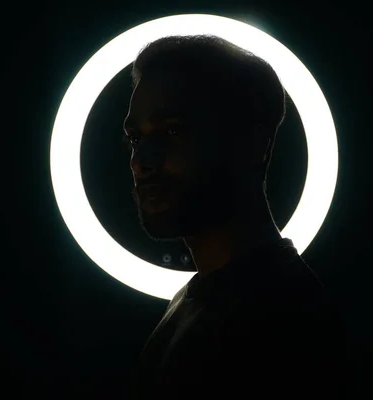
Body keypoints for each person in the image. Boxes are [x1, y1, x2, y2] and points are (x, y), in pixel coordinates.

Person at [123, 35, 348, 397]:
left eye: (174, 130)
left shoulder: (283, 320)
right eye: (135, 138)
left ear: (252, 142)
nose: (142, 161)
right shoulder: (198, 299)